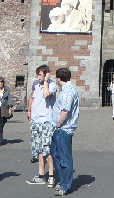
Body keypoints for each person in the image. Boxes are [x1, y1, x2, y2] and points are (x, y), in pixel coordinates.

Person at [49, 66, 80, 197]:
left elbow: (65, 111)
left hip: (63, 129)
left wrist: (58, 125)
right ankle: (62, 181)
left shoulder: (68, 91)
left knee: (64, 158)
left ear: (59, 78)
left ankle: (65, 185)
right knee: (55, 154)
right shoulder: (65, 90)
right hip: (59, 128)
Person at [26, 64, 57, 187]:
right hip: (36, 121)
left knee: (47, 149)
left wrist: (46, 81)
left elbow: (46, 95)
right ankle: (41, 175)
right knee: (39, 149)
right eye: (37, 74)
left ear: (46, 75)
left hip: (46, 121)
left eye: (40, 74)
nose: (37, 76)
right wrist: (29, 111)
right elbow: (32, 98)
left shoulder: (52, 85)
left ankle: (51, 176)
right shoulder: (35, 84)